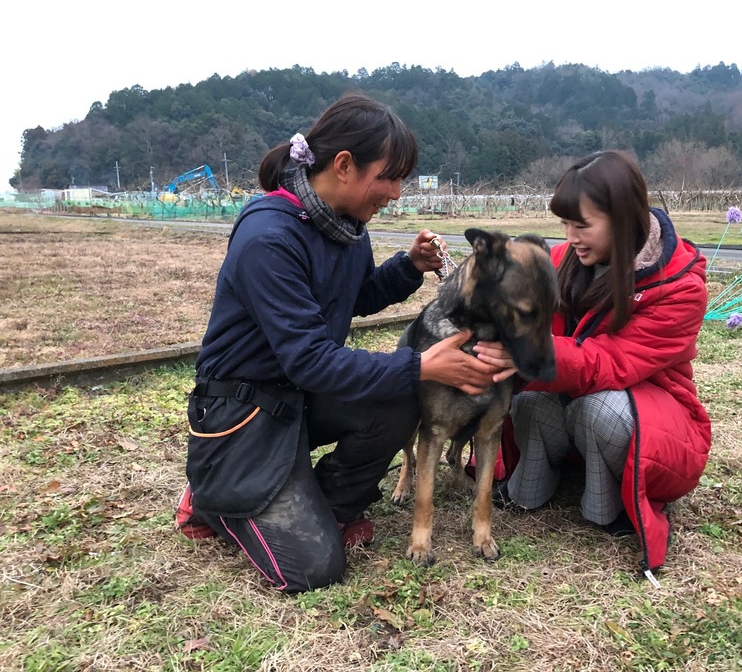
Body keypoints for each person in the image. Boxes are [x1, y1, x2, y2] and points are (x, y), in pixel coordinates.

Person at [174, 93, 515, 593]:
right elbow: (310, 359)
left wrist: (407, 267)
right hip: (244, 414)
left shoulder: (347, 228)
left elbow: (350, 299)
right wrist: (419, 365)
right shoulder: (269, 236)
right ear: (343, 166)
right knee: (314, 569)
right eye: (389, 177)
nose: (397, 193)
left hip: (298, 399)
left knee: (399, 397)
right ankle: (213, 496)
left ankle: (326, 505)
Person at [495, 150, 711, 579]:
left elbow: (611, 363)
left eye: (583, 225)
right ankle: (530, 488)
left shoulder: (680, 286)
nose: (570, 236)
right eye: (565, 224)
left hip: (651, 418)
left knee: (603, 409)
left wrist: (529, 352)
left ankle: (605, 507)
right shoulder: (564, 262)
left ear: (622, 217)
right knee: (529, 404)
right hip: (572, 405)